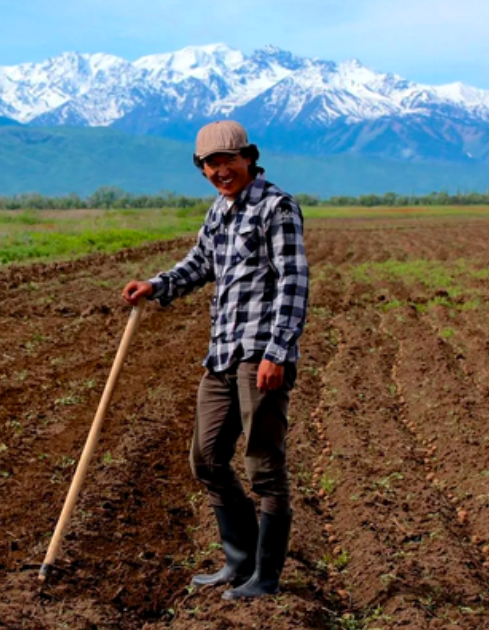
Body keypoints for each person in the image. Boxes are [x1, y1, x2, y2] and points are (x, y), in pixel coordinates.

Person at [122, 120, 309, 600]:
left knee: (264, 466)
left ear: (249, 157)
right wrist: (156, 286)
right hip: (223, 353)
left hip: (260, 354)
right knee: (206, 459)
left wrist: (278, 351)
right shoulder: (219, 212)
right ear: (201, 168)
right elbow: (199, 264)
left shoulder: (276, 207)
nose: (220, 170)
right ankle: (239, 562)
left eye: (228, 159)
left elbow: (293, 281)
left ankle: (265, 578)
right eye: (210, 163)